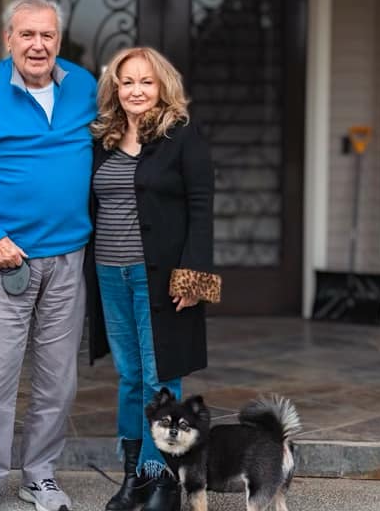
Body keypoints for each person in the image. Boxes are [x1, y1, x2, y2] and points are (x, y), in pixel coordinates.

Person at [0, 0, 98, 511]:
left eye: (47, 35)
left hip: (68, 258)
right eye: (26, 35)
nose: (37, 45)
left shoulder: (84, 88)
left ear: (59, 40)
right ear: (8, 38)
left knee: (58, 377)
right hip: (4, 259)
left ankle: (40, 474)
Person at [85, 47, 221, 511]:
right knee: (129, 377)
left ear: (162, 86)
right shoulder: (102, 137)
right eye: (127, 82)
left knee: (160, 378)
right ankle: (133, 480)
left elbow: (202, 205)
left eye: (146, 81)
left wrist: (194, 278)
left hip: (161, 277)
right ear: (115, 88)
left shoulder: (181, 135)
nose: (136, 90)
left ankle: (162, 478)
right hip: (109, 272)